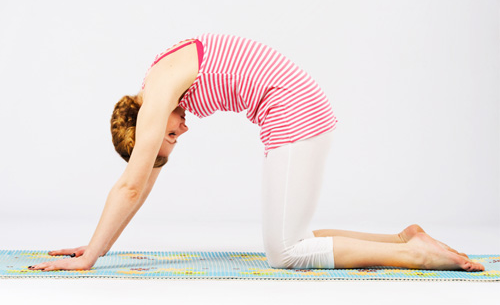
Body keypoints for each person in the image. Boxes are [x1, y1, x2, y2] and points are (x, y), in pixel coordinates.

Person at [28, 33, 484, 272]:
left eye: (168, 138)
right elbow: (143, 182)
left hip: (294, 109)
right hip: (293, 107)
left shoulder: (158, 94)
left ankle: (417, 256)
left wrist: (89, 259)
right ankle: (404, 240)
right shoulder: (160, 84)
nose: (179, 134)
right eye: (172, 138)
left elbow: (131, 182)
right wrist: (99, 247)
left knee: (285, 252)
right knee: (295, 233)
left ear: (140, 123)